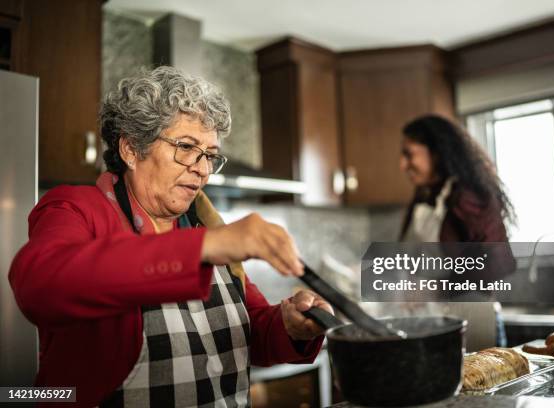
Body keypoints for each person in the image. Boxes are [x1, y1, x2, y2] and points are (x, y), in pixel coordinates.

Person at [9, 66, 332, 408]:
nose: (203, 169)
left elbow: (249, 334)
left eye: (209, 155)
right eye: (186, 147)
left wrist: (291, 326)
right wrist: (207, 247)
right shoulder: (78, 208)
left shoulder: (207, 227)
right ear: (131, 149)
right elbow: (37, 284)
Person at [398, 114, 516, 349]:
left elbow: (497, 264)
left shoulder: (468, 197)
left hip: (473, 321)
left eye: (409, 154)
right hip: (435, 324)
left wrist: (435, 288)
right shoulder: (429, 195)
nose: (402, 165)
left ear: (437, 152)